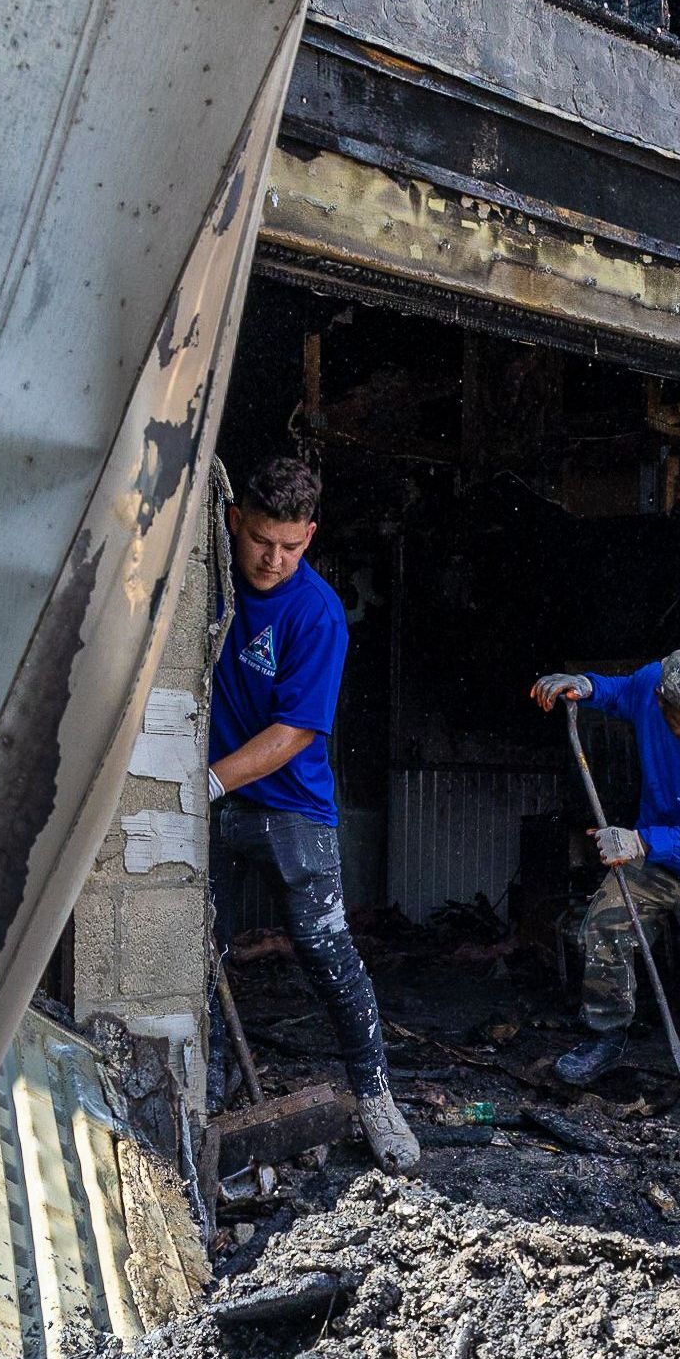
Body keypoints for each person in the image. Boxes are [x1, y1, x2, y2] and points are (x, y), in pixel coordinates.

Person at [207, 455, 419, 1175]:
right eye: (261, 540)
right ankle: (203, 1098)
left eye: (291, 546)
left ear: (310, 535)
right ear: (234, 520)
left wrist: (204, 781)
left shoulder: (316, 611)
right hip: (212, 798)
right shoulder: (208, 578)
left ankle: (375, 1096)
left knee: (328, 952)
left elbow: (294, 731)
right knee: (199, 953)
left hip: (290, 803)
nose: (272, 559)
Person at [531, 647, 680, 1130]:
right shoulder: (648, 686)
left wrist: (639, 840)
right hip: (656, 861)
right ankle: (605, 1033)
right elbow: (619, 692)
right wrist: (586, 683)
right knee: (603, 927)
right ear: (662, 700)